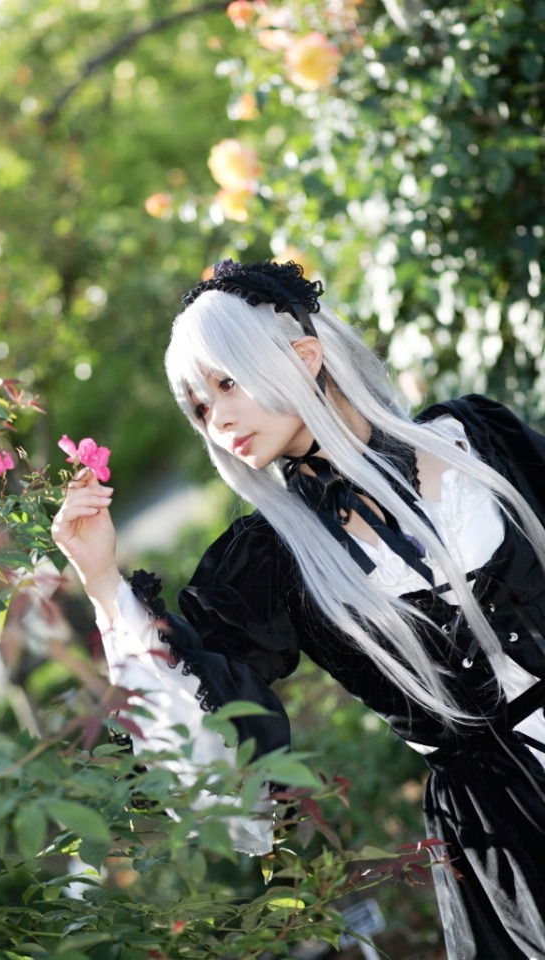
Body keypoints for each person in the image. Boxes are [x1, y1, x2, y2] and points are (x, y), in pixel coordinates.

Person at [52, 259, 545, 960]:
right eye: (198, 407)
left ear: (304, 356)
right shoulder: (270, 563)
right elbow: (214, 749)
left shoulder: (474, 440)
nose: (217, 418)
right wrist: (101, 578)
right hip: (509, 841)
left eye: (226, 382)